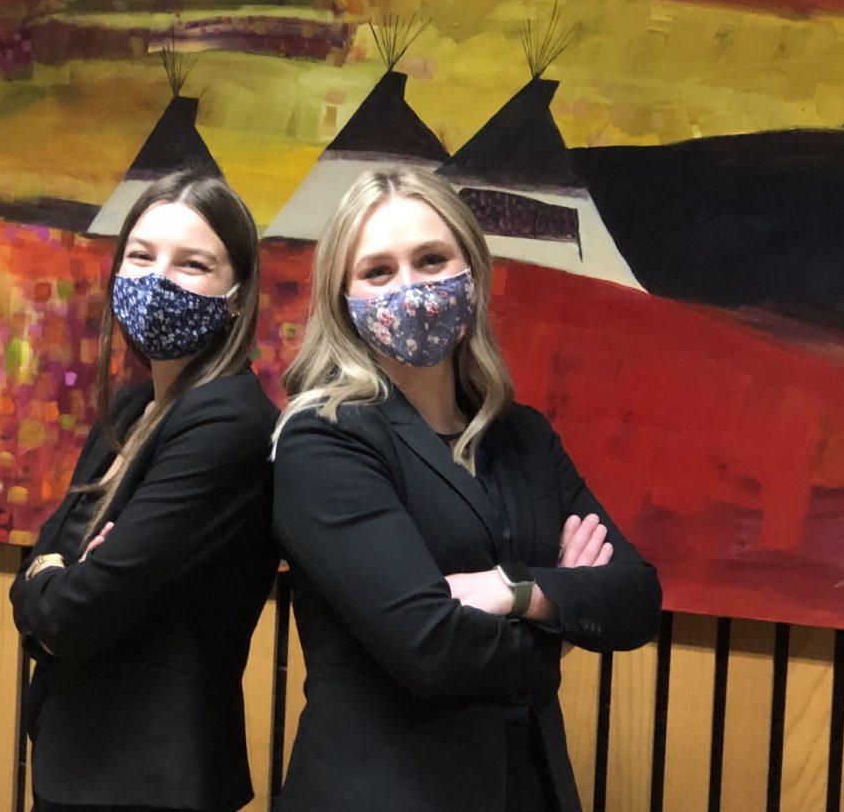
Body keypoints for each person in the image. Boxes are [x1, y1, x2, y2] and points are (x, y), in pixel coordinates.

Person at [271, 166, 662, 812]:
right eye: (378, 271)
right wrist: (559, 618)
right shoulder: (325, 438)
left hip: (528, 786)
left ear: (472, 276)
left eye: (431, 259)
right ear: (343, 299)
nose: (411, 287)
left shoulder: (523, 436)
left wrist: (515, 592)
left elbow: (636, 596)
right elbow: (428, 647)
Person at [10, 169, 279, 812]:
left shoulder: (230, 423)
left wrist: (64, 578)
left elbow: (75, 610)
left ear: (237, 297)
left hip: (155, 776)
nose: (158, 280)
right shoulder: (129, 412)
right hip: (80, 762)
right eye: (141, 255)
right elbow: (37, 578)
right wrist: (58, 573)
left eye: (193, 265)